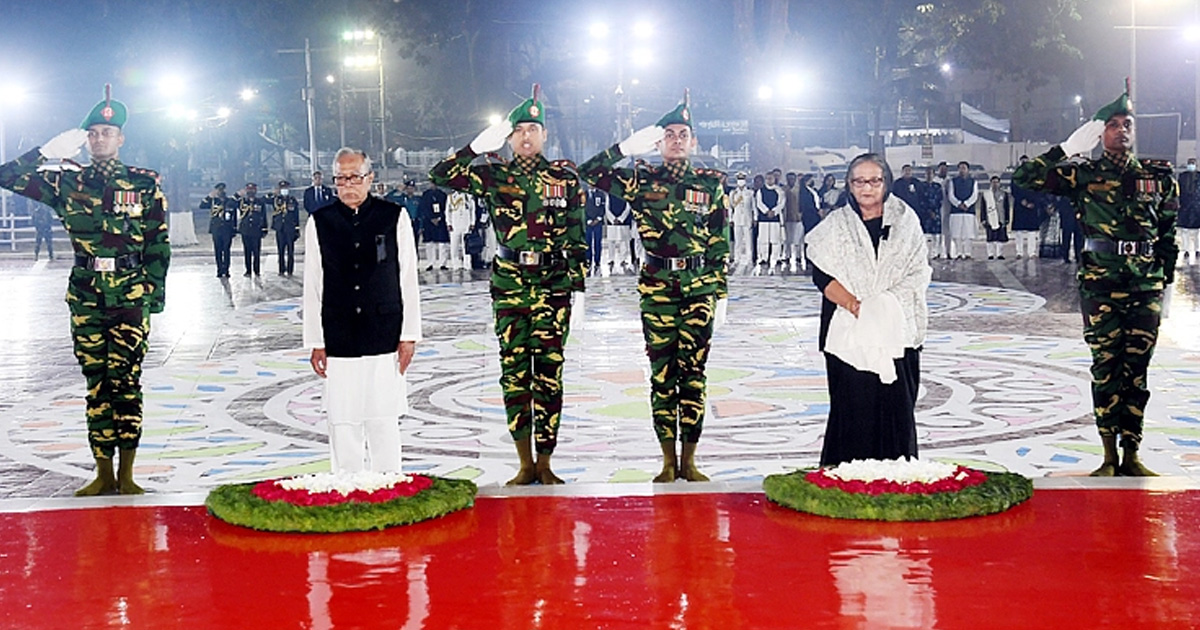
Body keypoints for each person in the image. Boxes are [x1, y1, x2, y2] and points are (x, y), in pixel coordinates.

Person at [0, 85, 170, 495]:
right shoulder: (67, 183)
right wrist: (45, 152)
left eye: (106, 133)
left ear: (121, 138)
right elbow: (7, 176)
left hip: (130, 295)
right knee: (96, 381)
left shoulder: (143, 184)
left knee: (126, 381)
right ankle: (103, 471)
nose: (99, 139)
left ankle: (128, 471)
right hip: (88, 294)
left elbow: (157, 242)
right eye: (92, 133)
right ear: (85, 138)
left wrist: (152, 295)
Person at [1013, 89, 1178, 476]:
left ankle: (1132, 453)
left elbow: (1168, 236)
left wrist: (1165, 282)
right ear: (1099, 134)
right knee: (1105, 367)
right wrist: (1067, 147)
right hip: (1100, 286)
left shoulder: (1157, 177)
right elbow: (1024, 178)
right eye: (1112, 125)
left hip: (1144, 288)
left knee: (1137, 370)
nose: (1121, 131)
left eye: (1127, 125)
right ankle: (1107, 454)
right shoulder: (1082, 174)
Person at [429, 84, 587, 485]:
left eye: (534, 129)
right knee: (514, 372)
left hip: (553, 285)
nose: (527, 136)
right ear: (510, 136)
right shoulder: (493, 174)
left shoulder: (564, 179)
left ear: (545, 134)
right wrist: (475, 147)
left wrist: (579, 289)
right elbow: (440, 175)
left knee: (549, 373)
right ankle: (523, 463)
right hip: (511, 283)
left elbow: (576, 236)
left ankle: (547, 461)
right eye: (519, 130)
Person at [580, 90, 730, 483]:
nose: (677, 140)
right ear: (658, 142)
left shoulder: (711, 184)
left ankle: (690, 459)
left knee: (694, 374)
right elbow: (589, 171)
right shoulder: (641, 179)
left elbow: (719, 241)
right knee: (662, 375)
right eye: (669, 135)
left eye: (683, 134)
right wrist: (624, 148)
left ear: (693, 141)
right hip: (657, 287)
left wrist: (721, 291)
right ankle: (667, 459)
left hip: (698, 289)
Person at [804, 153, 931, 467]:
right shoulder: (835, 226)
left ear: (885, 183)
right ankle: (846, 481)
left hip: (897, 330)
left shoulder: (906, 221)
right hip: (848, 329)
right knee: (853, 408)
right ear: (849, 185)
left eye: (874, 180)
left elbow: (918, 272)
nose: (867, 188)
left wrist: (881, 308)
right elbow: (821, 274)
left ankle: (897, 478)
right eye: (859, 181)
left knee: (896, 407)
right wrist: (855, 305)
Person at [303, 148, 422, 474]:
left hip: (384, 331)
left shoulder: (394, 216)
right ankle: (346, 486)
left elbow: (407, 277)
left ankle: (388, 485)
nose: (348, 185)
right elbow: (313, 283)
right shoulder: (320, 222)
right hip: (338, 333)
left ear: (370, 178)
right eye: (340, 179)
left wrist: (409, 335)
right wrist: (316, 339)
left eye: (355, 177)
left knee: (383, 417)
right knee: (343, 419)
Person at [1010, 156, 1044, 259]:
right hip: (1020, 206)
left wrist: (1033, 202)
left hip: (1032, 206)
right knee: (1019, 231)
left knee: (1032, 231)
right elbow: (1014, 190)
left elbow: (1039, 190)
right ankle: (1019, 252)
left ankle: (1032, 252)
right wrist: (1022, 201)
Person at [202, 183, 236, 277]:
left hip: (227, 229)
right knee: (218, 250)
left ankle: (226, 269)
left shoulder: (229, 201)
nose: (221, 192)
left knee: (226, 250)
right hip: (216, 229)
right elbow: (202, 205)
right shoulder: (213, 201)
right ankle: (219, 270)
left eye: (222, 190)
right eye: (219, 190)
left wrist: (234, 229)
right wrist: (209, 197)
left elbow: (234, 216)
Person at [946, 161, 978, 259]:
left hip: (969, 211)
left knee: (968, 233)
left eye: (964, 168)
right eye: (960, 168)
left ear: (968, 170)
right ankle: (958, 253)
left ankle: (968, 253)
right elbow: (950, 195)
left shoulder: (973, 181)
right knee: (956, 233)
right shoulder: (953, 181)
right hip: (956, 211)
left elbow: (975, 195)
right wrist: (958, 204)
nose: (962, 170)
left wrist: (967, 204)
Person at [236, 182, 268, 277]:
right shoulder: (242, 201)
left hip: (256, 230)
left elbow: (264, 215)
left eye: (252, 189)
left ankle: (257, 270)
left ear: (256, 191)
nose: (251, 191)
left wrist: (264, 228)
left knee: (256, 251)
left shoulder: (260, 202)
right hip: (245, 230)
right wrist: (237, 195)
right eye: (249, 190)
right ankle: (248, 270)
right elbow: (231, 204)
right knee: (247, 251)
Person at [269, 180, 300, 276]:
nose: (284, 190)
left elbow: (296, 215)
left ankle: (290, 270)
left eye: (285, 188)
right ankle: (281, 269)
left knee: (290, 251)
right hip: (280, 228)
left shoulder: (292, 200)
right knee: (280, 250)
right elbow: (264, 200)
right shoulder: (276, 199)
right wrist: (272, 194)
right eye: (282, 188)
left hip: (290, 228)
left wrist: (297, 228)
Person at [755, 168, 784, 272]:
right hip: (763, 218)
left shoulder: (779, 191)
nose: (769, 180)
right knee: (764, 240)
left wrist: (774, 212)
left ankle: (775, 258)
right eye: (767, 178)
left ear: (774, 179)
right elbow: (759, 203)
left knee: (775, 240)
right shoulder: (760, 191)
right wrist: (766, 211)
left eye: (771, 178)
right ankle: (764, 258)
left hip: (775, 219)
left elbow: (781, 203)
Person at [978, 175, 1010, 260]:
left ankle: (1000, 254)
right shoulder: (986, 194)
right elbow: (983, 208)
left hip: (1001, 218)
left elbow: (1006, 207)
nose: (995, 184)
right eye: (993, 182)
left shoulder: (1004, 194)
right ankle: (990, 254)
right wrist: (983, 219)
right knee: (990, 237)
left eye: (997, 182)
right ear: (990, 183)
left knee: (1000, 238)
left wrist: (1007, 219)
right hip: (990, 219)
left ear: (999, 183)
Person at [418, 182, 449, 270]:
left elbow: (446, 208)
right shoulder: (425, 195)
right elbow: (423, 208)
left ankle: (443, 263)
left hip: (440, 221)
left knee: (442, 243)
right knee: (429, 243)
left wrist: (439, 218)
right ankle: (430, 262)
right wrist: (431, 218)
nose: (433, 185)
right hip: (428, 222)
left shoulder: (442, 195)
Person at [728, 172, 755, 267]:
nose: (741, 181)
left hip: (747, 219)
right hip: (737, 219)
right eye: (739, 180)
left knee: (748, 240)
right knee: (737, 240)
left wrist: (755, 218)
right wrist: (730, 219)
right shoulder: (733, 193)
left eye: (742, 179)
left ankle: (749, 258)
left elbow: (753, 207)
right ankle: (737, 258)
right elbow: (731, 207)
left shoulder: (750, 193)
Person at [1177, 157, 1200, 263]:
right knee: (1184, 231)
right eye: (1190, 163)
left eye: (1193, 163)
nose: (1191, 165)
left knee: (1197, 232)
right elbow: (1178, 191)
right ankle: (1186, 250)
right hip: (1185, 206)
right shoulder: (1182, 176)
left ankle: (1197, 250)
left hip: (1197, 207)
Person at [919, 167, 945, 258]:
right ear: (924, 175)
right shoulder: (921, 186)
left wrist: (935, 211)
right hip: (925, 213)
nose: (929, 176)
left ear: (934, 175)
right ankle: (925, 253)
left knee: (936, 234)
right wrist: (928, 211)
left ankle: (935, 252)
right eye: (927, 174)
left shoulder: (937, 186)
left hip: (936, 212)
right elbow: (920, 200)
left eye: (931, 174)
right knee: (925, 234)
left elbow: (940, 200)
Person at [783, 171, 804, 272]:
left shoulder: (799, 190)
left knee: (797, 239)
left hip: (797, 217)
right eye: (789, 179)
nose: (791, 181)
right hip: (787, 217)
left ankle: (798, 256)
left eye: (792, 179)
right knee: (787, 239)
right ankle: (787, 256)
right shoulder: (784, 190)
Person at [584, 185, 606, 275]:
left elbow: (602, 208)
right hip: (587, 223)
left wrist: (598, 219)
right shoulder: (584, 194)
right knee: (587, 243)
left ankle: (597, 262)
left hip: (598, 223)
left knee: (598, 242)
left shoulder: (600, 194)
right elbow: (582, 209)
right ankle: (588, 261)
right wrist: (588, 220)